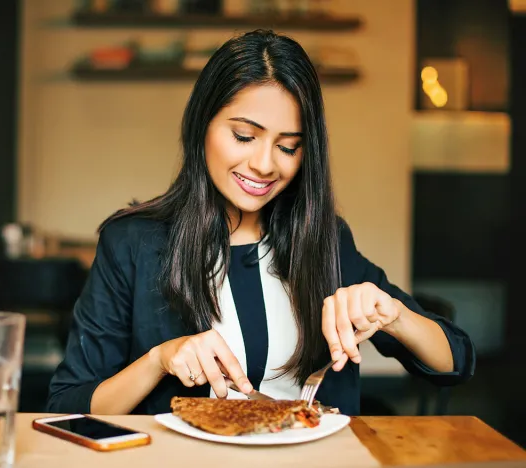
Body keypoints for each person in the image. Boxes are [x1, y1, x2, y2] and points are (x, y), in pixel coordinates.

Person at [47, 30, 475, 416]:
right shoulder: (132, 244)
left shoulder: (323, 240)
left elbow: (454, 362)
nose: (265, 164)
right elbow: (68, 404)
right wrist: (159, 360)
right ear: (202, 126)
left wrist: (394, 314)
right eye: (244, 137)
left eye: (288, 147)